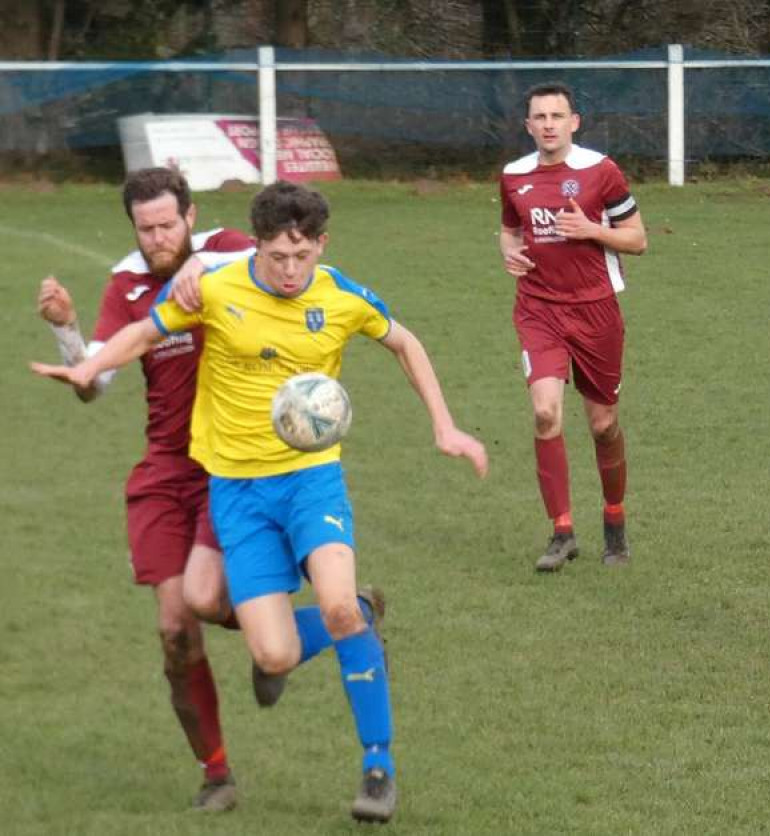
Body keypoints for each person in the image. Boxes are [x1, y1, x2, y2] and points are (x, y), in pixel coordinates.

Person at [34, 180, 489, 824]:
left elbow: (404, 342)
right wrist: (85, 364)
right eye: (276, 257)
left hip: (311, 480)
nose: (288, 270)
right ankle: (360, 613)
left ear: (319, 246)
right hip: (237, 493)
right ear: (258, 247)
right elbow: (142, 333)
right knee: (271, 654)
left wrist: (445, 426)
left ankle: (377, 767)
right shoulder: (216, 290)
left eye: (301, 257)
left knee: (330, 605)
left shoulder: (338, 293)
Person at [35, 167, 257, 810]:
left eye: (168, 224)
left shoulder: (233, 249)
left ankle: (314, 630)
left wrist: (206, 273)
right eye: (146, 228)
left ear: (191, 216)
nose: (159, 238)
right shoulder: (125, 283)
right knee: (173, 628)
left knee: (210, 602)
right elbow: (94, 382)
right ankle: (216, 772)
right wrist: (67, 332)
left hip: (233, 464)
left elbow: (284, 276)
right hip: (165, 469)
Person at [499, 81, 647, 572]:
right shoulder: (513, 176)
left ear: (574, 122)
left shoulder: (600, 171)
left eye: (556, 116)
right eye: (539, 117)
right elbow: (509, 229)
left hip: (596, 310)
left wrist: (591, 230)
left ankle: (614, 520)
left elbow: (638, 240)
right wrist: (507, 249)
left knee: (603, 425)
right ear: (528, 125)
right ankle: (562, 531)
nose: (548, 125)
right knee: (545, 413)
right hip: (538, 309)